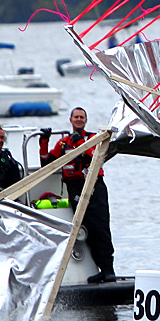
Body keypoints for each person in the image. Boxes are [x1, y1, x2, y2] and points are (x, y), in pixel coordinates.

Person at [40, 108, 116, 284]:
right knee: (86, 229)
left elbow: (96, 156)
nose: (79, 119)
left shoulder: (92, 139)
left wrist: (81, 143)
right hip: (74, 188)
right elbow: (47, 162)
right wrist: (43, 141)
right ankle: (99, 269)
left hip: (93, 187)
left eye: (82, 117)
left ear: (86, 120)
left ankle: (108, 270)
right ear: (71, 120)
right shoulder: (63, 143)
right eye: (76, 117)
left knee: (101, 227)